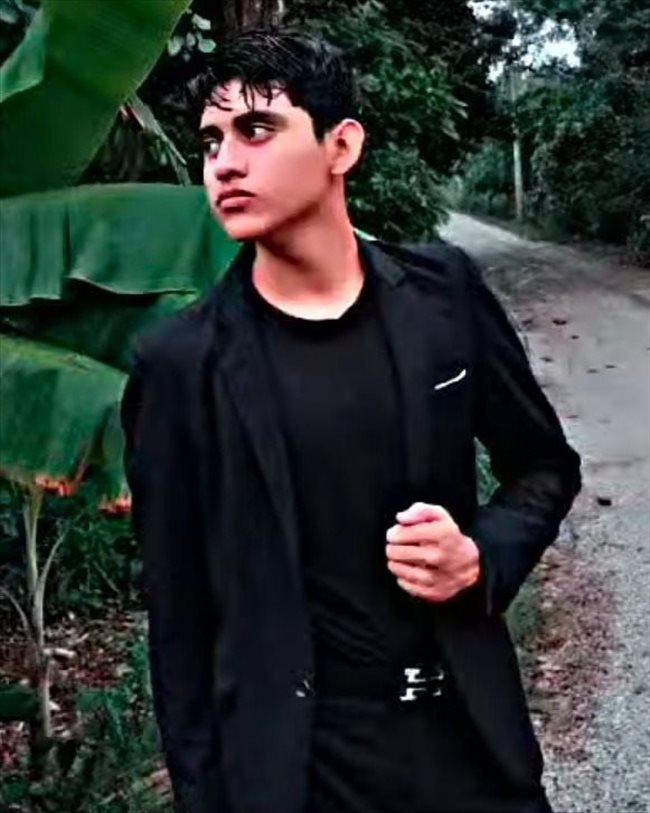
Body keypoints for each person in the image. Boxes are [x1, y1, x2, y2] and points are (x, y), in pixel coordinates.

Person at [121, 28, 581, 813]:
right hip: (305, 774)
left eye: (256, 130)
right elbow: (179, 620)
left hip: (471, 748)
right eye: (210, 141)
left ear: (341, 146)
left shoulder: (442, 294)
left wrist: (479, 556)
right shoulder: (180, 364)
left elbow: (543, 465)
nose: (224, 162)